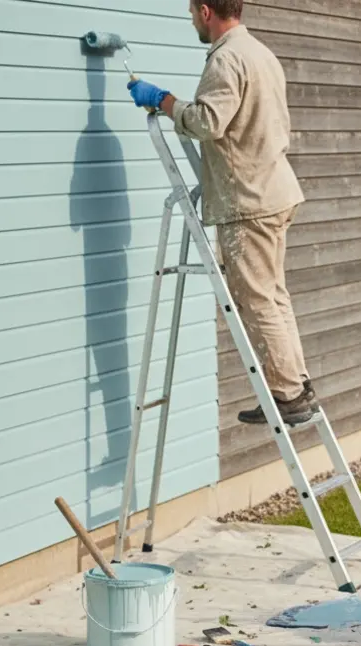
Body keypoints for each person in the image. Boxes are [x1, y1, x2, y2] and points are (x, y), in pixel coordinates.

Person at [126, 0, 319, 426]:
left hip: (247, 201)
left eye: (193, 11)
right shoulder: (260, 53)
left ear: (207, 10)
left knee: (256, 299)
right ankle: (296, 385)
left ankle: (287, 394)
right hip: (272, 190)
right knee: (273, 295)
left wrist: (164, 101)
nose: (191, 18)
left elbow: (208, 122)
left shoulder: (227, 58)